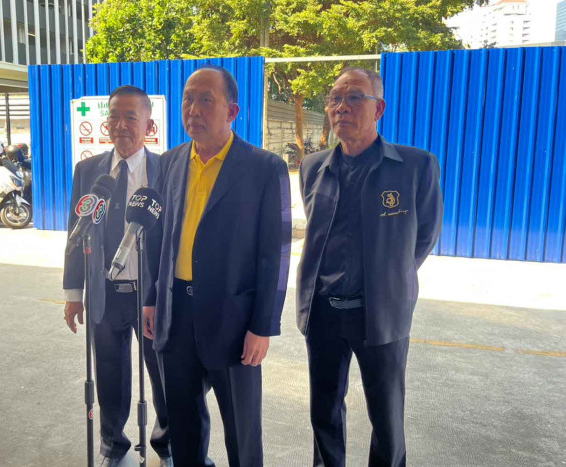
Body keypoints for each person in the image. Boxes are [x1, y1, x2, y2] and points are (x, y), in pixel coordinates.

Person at [142, 66, 291, 467]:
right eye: (188, 99)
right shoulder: (169, 162)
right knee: (184, 424)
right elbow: (158, 237)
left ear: (232, 111)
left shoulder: (263, 168)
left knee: (242, 429)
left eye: (205, 99)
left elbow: (274, 254)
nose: (193, 109)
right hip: (177, 313)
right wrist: (153, 299)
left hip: (234, 319)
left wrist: (263, 326)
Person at [297, 67, 443, 467]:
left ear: (378, 109)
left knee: (386, 414)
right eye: (334, 99)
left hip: (380, 312)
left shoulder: (414, 166)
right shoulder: (313, 166)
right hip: (324, 310)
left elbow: (425, 235)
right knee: (324, 411)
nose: (341, 107)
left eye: (354, 98)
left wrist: (389, 277)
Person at [63, 85, 172, 467]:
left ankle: (167, 445)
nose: (121, 125)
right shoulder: (88, 172)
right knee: (109, 375)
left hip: (151, 295)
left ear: (149, 125)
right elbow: (76, 231)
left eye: (130, 117)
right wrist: (73, 292)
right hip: (104, 293)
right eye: (114, 116)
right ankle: (113, 445)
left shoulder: (166, 170)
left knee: (163, 375)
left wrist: (166, 294)